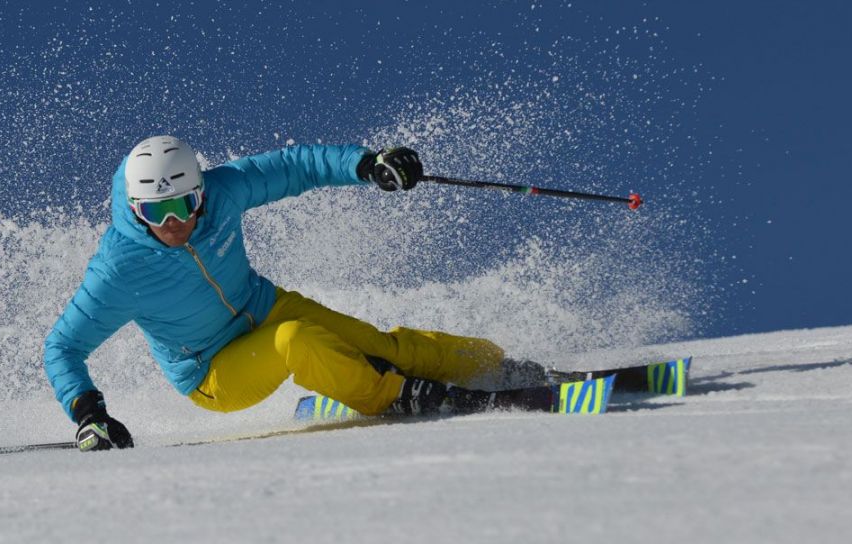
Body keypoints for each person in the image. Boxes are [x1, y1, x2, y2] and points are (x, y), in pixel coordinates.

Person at [44, 136, 530, 451]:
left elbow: (295, 166)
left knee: (384, 345)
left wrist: (367, 166)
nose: (174, 223)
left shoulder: (224, 192)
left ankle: (493, 365)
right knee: (298, 339)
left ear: (201, 193)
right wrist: (90, 413)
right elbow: (63, 346)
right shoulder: (118, 268)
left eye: (184, 204)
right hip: (212, 370)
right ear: (135, 208)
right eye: (156, 212)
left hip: (262, 306)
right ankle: (396, 395)